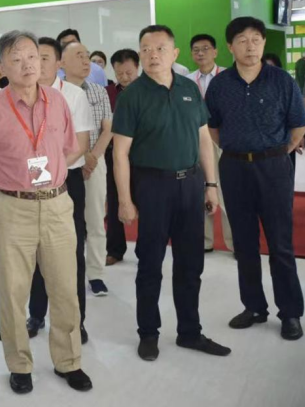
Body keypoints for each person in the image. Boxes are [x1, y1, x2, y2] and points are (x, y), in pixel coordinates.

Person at [0, 30, 92, 394]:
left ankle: (69, 361)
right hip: (11, 208)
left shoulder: (58, 100)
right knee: (12, 292)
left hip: (57, 205)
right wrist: (9, 182)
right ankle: (19, 365)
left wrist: (47, 177)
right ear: (1, 66)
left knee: (65, 289)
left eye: (32, 57)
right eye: (17, 59)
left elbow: (68, 148)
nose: (27, 65)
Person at [112, 25, 231, 362]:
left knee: (191, 263)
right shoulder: (133, 95)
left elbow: (204, 139)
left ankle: (189, 332)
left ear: (174, 54)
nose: (153, 55)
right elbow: (120, 153)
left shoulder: (189, 88)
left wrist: (211, 185)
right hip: (152, 186)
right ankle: (148, 333)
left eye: (160, 48)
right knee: (150, 263)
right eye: (146, 49)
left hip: (190, 184)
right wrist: (125, 200)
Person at [206, 16, 305, 341]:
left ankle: (290, 312)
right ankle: (254, 307)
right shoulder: (220, 85)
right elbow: (213, 128)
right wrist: (238, 149)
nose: (250, 46)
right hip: (234, 168)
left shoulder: (282, 80)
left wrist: (278, 151)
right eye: (242, 40)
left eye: (255, 40)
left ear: (263, 43)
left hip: (274, 168)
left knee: (280, 243)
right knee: (244, 243)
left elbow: (299, 124)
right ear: (230, 46)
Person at [28, 37, 93, 344]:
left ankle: (75, 321)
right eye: (32, 57)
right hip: (29, 183)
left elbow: (80, 144)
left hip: (67, 181)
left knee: (71, 251)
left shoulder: (73, 95)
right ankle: (37, 313)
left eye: (44, 58)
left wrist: (49, 172)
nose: (37, 64)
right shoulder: (20, 93)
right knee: (34, 249)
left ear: (58, 63)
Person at [63, 41, 114, 297]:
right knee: (67, 223)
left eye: (87, 56)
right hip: (66, 164)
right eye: (78, 56)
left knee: (95, 220)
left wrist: (92, 157)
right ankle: (70, 273)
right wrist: (81, 156)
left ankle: (96, 274)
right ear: (62, 63)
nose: (86, 61)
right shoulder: (56, 93)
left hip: (95, 161)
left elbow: (108, 128)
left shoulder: (98, 91)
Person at [187, 34, 233, 255]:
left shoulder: (228, 77)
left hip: (222, 139)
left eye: (205, 48)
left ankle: (234, 242)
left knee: (225, 190)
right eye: (196, 50)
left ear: (215, 52)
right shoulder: (187, 81)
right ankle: (204, 240)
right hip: (196, 140)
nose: (201, 53)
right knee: (200, 187)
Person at [104, 49, 140, 266]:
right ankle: (115, 249)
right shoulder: (108, 93)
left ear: (137, 67)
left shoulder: (147, 91)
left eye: (129, 73)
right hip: (113, 155)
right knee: (114, 199)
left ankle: (145, 250)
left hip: (142, 155)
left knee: (145, 200)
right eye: (119, 74)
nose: (124, 78)